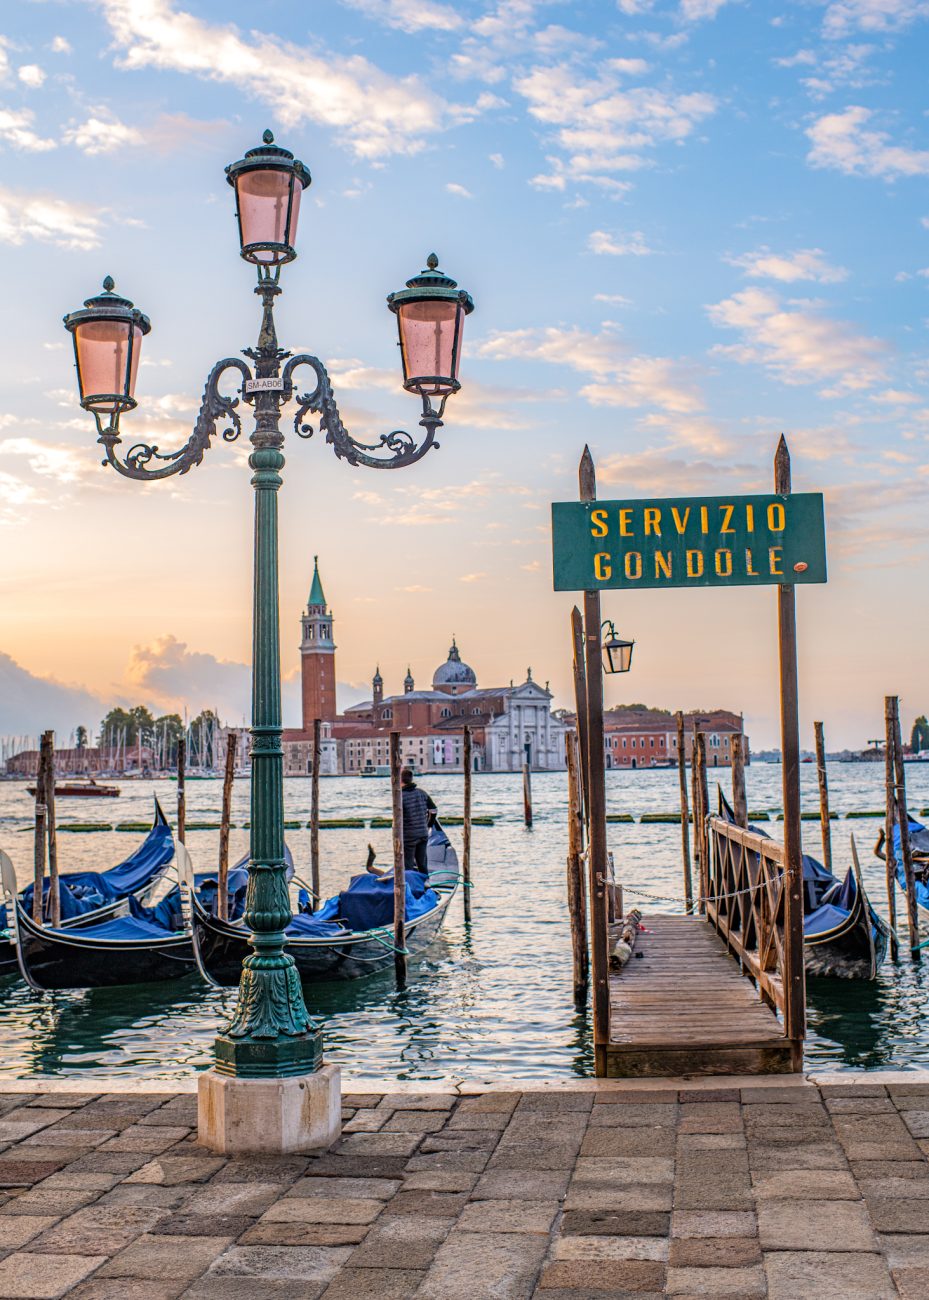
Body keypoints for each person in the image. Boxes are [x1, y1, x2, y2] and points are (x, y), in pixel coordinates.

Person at [401, 767, 436, 874]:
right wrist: (429, 824)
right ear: (411, 779)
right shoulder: (422, 793)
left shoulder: (400, 796)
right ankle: (425, 883)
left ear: (400, 780)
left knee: (408, 865)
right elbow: (433, 810)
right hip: (423, 833)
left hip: (409, 836)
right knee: (422, 862)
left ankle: (410, 886)